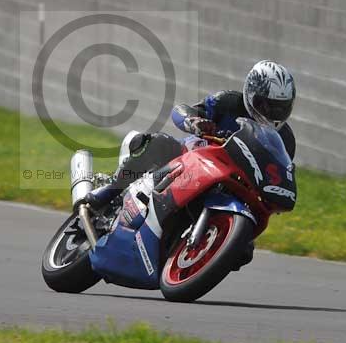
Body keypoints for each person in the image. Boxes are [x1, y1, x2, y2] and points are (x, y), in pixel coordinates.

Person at [82, 61, 297, 266]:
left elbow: (277, 173)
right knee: (159, 143)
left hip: (234, 185)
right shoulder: (228, 102)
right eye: (265, 104)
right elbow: (183, 110)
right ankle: (108, 193)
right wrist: (194, 121)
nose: (271, 113)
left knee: (244, 250)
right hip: (192, 157)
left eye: (280, 108)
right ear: (250, 94)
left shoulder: (286, 140)